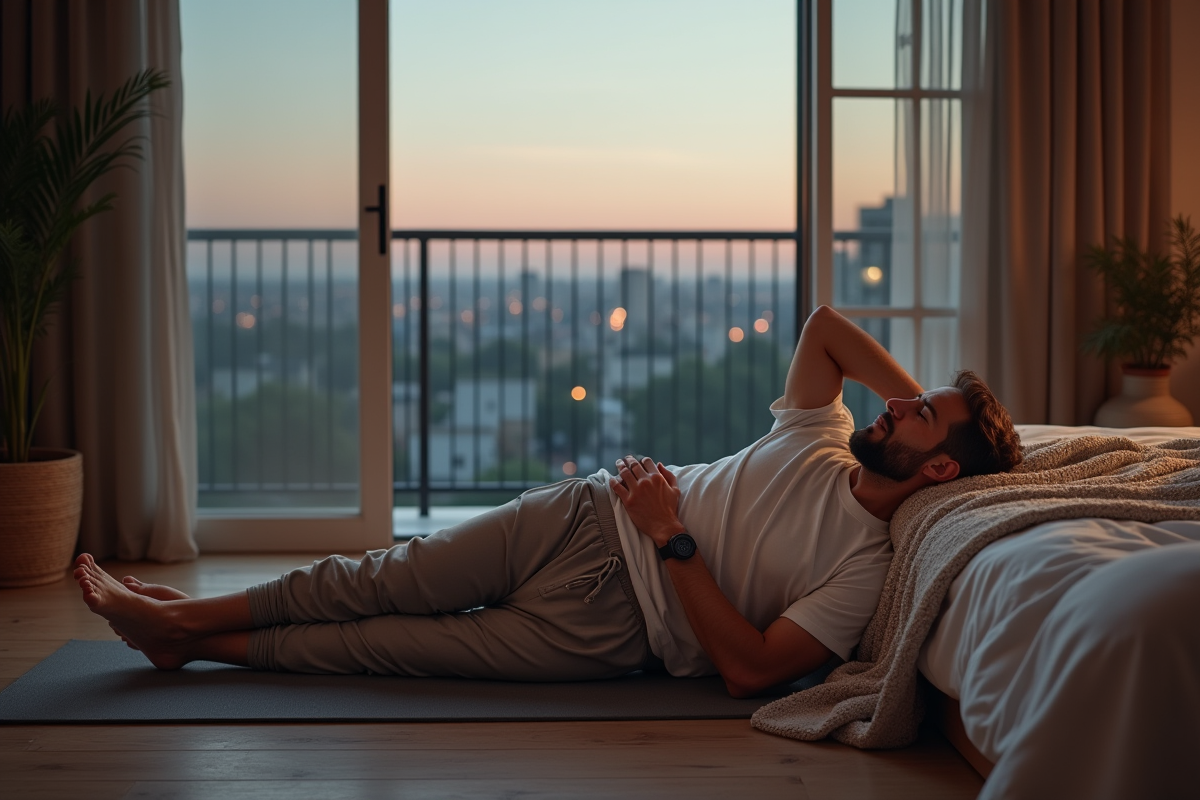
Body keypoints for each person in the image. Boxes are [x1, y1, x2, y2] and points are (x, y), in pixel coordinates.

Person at [74, 306, 1022, 696]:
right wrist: (943, 411)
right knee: (379, 577)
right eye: (906, 396)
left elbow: (751, 670)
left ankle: (184, 638)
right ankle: (186, 621)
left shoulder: (866, 567)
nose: (894, 402)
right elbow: (825, 328)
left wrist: (674, 540)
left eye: (918, 417)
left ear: (940, 473)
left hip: (613, 628)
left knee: (384, 647)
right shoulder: (818, 433)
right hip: (583, 514)